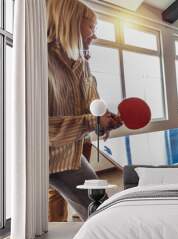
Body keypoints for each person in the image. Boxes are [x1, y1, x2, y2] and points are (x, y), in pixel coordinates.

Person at [47, 0, 122, 221]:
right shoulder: (40, 60)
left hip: (73, 148)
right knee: (102, 212)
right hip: (50, 155)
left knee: (98, 208)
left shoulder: (81, 62)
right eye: (91, 27)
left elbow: (92, 104)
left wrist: (104, 120)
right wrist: (93, 122)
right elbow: (40, 128)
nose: (95, 35)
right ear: (70, 22)